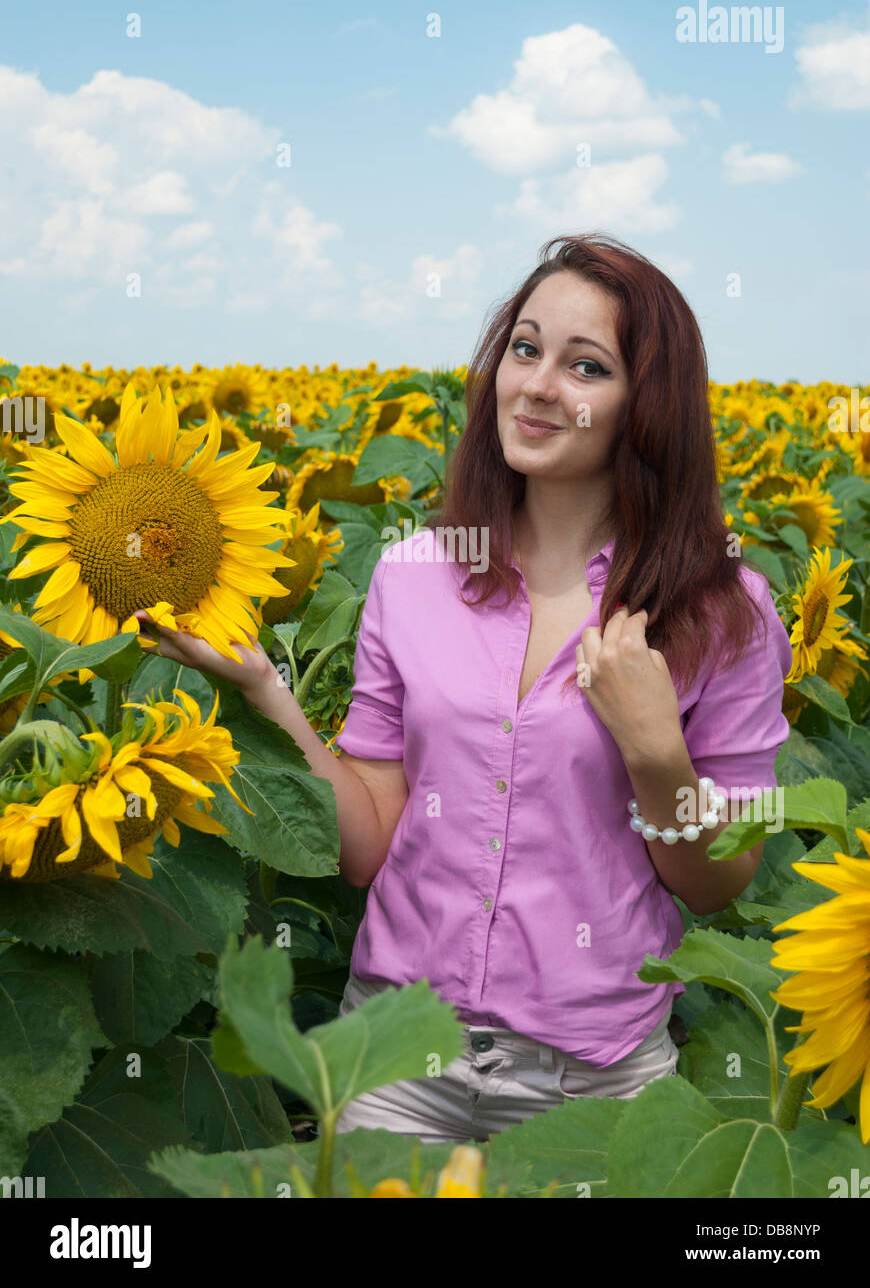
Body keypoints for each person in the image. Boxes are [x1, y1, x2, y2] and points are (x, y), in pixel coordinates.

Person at [136, 232, 792, 1146]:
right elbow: (366, 846)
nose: (536, 385)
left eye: (586, 366)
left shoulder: (734, 614)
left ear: (650, 405)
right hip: (393, 1056)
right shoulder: (413, 575)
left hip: (594, 1083)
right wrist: (267, 691)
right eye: (524, 349)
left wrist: (655, 751)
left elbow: (727, 879)